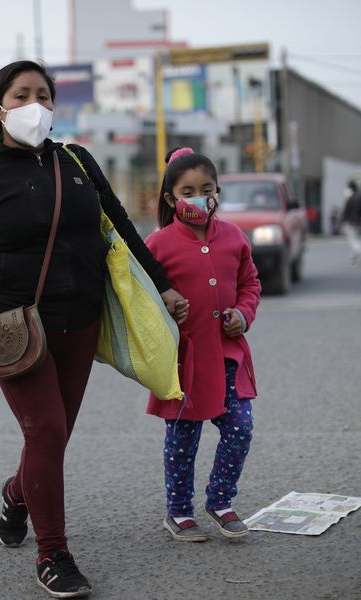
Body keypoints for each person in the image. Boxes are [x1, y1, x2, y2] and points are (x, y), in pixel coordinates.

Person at [0, 60, 188, 599]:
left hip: (80, 318)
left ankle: (18, 494)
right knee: (45, 430)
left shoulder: (77, 162)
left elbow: (121, 227)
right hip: (13, 326)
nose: (34, 104)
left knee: (55, 433)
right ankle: (54, 554)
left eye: (44, 94)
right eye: (21, 95)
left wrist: (162, 286)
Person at [143, 147, 261, 543]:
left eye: (206, 189)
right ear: (170, 198)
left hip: (228, 355)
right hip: (183, 364)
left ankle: (220, 499)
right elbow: (140, 299)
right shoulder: (156, 245)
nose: (199, 197)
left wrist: (242, 314)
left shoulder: (235, 237)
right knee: (182, 439)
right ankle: (177, 512)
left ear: (217, 191)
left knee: (240, 428)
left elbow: (250, 284)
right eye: (188, 190)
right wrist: (165, 309)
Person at [340, 181, 361, 267]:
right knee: (358, 240)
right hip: (360, 222)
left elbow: (346, 212)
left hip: (350, 222)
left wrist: (342, 222)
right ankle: (356, 259)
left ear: (350, 189)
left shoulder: (350, 198)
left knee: (353, 240)